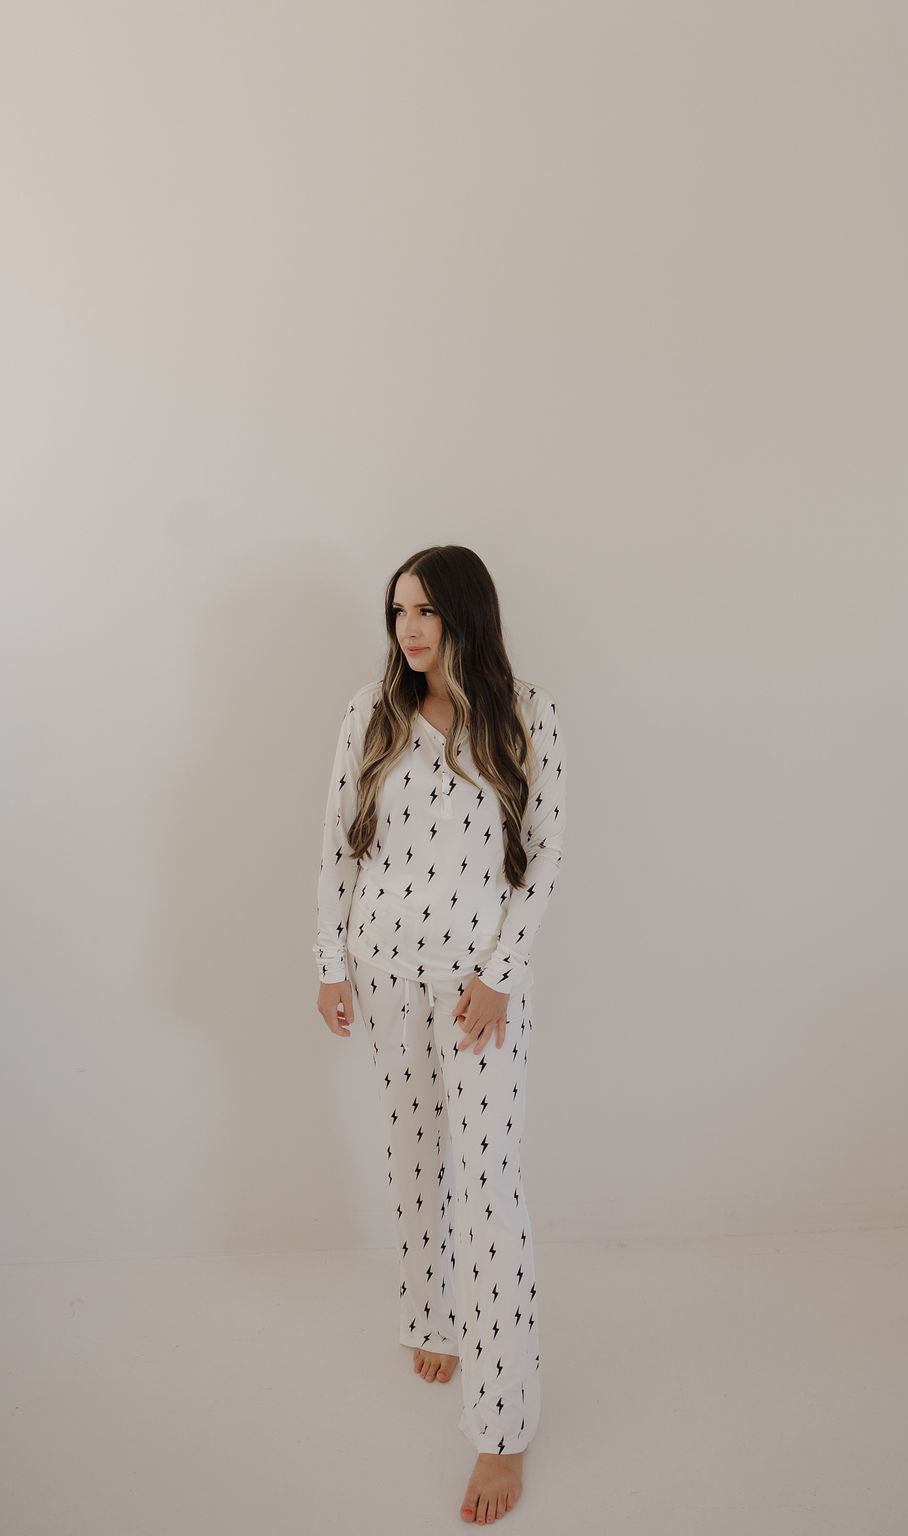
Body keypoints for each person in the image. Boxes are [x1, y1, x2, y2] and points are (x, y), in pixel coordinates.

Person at [313, 544, 566, 1525]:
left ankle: (502, 1430)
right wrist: (329, 962)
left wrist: (499, 978)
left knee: (488, 1183)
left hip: (476, 990)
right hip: (384, 971)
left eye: (424, 610)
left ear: (466, 614)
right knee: (413, 1151)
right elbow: (338, 840)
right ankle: (429, 1314)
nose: (407, 629)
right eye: (396, 611)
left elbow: (545, 855)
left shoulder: (527, 713)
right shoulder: (370, 716)